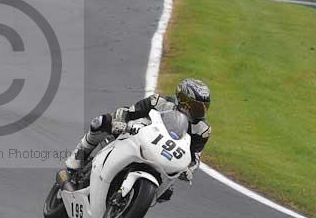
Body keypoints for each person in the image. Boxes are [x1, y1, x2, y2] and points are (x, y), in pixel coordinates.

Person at [64, 78, 211, 202]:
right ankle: (78, 156)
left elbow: (194, 156)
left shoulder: (202, 130)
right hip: (135, 135)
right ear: (183, 101)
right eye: (195, 107)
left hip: (163, 155)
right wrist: (120, 121)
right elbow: (129, 111)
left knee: (166, 193)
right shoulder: (159, 102)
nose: (196, 112)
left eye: (201, 109)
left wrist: (189, 170)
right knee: (100, 122)